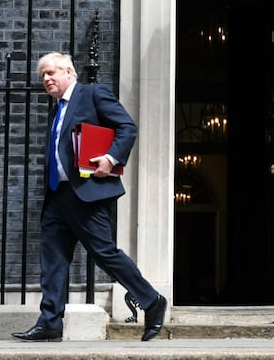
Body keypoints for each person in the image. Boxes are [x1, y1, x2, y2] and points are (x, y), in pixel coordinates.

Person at [12, 52, 167, 342]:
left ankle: (152, 300)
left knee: (104, 252)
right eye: (43, 75)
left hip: (86, 194)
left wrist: (110, 158)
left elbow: (127, 127)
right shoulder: (57, 108)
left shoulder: (92, 94)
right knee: (53, 259)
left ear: (68, 71)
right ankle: (50, 323)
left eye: (51, 73)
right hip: (58, 194)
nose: (46, 79)